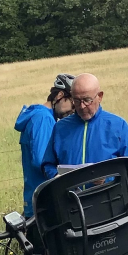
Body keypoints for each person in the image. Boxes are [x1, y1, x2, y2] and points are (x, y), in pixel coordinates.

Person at [41, 74, 128, 175]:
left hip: (108, 190)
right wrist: (58, 178)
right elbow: (48, 165)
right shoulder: (60, 128)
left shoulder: (118, 125)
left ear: (100, 96)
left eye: (87, 100)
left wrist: (108, 176)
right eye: (77, 100)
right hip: (69, 191)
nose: (82, 106)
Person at [16, 74, 75, 216]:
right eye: (72, 104)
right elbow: (41, 160)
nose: (73, 110)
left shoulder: (41, 116)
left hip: (37, 196)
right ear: (59, 95)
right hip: (45, 201)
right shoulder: (43, 119)